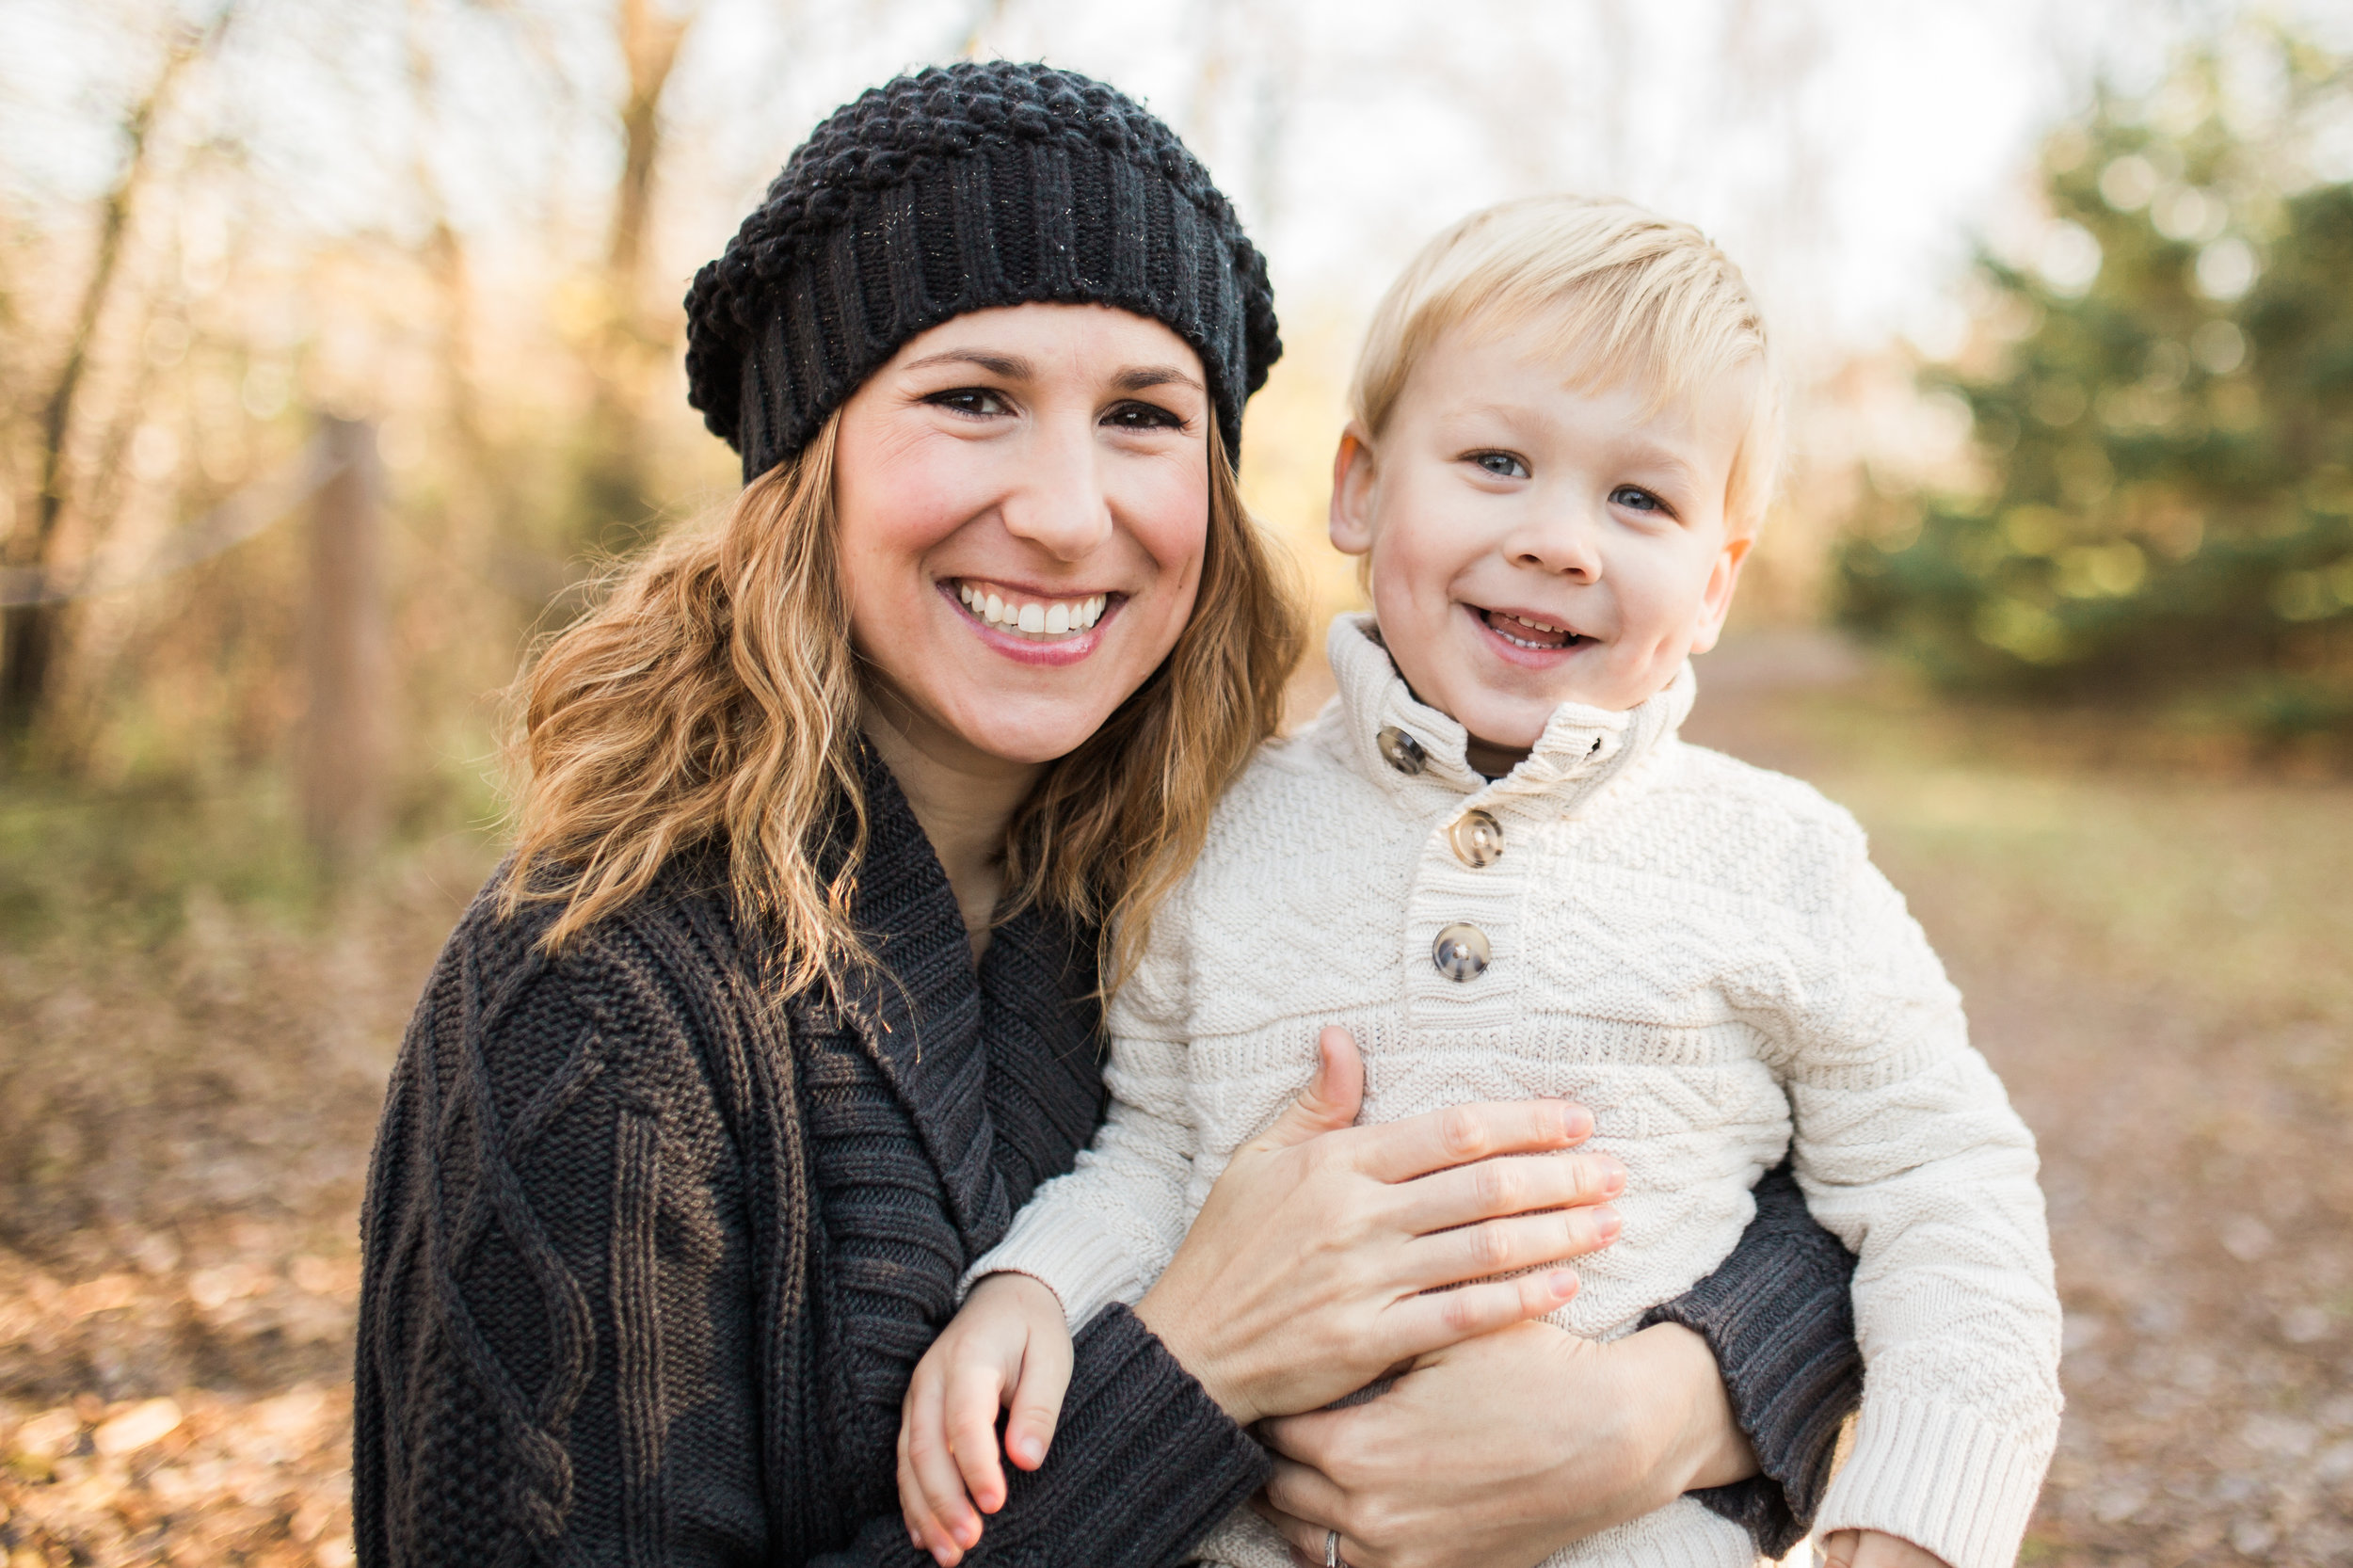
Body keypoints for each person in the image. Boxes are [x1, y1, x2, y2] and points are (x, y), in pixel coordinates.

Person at [353, 66, 1866, 1568]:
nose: (1070, 510)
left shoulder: (1215, 867)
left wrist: (1668, 1407)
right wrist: (1192, 1371)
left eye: (1141, 415)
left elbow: (1801, 1157)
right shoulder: (596, 1013)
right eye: (972, 398)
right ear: (803, 462)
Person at [901, 195, 2064, 1568]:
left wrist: (1924, 1511)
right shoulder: (1220, 830)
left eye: (1639, 497)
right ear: (1360, 487)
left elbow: (1944, 1182)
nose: (1562, 539)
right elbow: (1159, 1148)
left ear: (1713, 585)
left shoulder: (1783, 860)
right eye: (1498, 460)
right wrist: (1035, 1284)